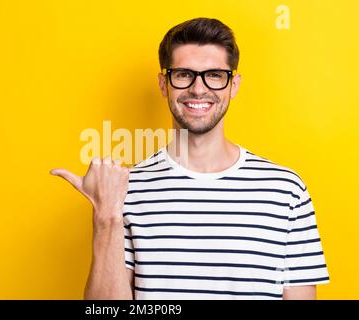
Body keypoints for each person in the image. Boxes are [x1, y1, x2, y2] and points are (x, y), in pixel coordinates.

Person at [50, 17, 329, 300]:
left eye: (215, 75)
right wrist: (106, 216)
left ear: (233, 85)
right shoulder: (124, 189)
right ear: (163, 84)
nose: (198, 88)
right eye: (183, 74)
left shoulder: (286, 190)